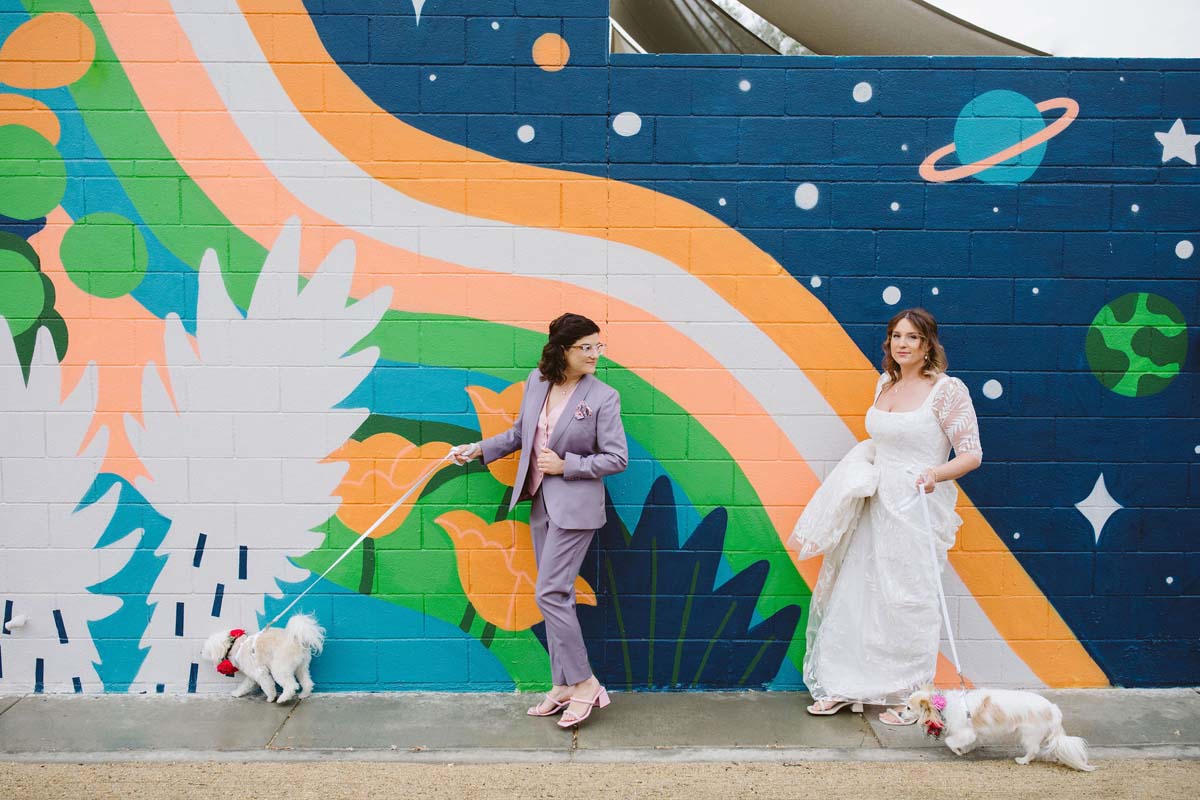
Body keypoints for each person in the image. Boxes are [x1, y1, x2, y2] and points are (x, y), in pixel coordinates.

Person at [792, 308, 982, 725]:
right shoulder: (886, 383)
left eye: (912, 337)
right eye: (896, 336)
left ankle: (912, 696)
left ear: (928, 344)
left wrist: (935, 473)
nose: (902, 344)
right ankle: (845, 686)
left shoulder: (947, 391)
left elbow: (971, 454)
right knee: (857, 592)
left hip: (916, 505)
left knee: (908, 598)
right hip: (875, 501)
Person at [452, 313, 628, 728]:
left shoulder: (604, 397)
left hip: (576, 508)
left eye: (597, 346)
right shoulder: (538, 382)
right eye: (586, 347)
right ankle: (563, 684)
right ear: (562, 350)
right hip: (539, 503)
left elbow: (617, 458)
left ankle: (585, 683)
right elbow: (519, 434)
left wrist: (567, 465)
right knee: (553, 595)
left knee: (551, 592)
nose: (594, 354)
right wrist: (477, 449)